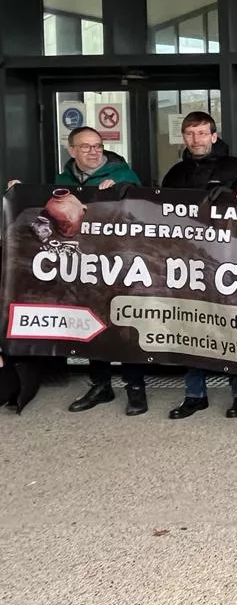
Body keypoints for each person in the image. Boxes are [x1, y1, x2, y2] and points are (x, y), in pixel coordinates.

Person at [8, 127, 148, 416]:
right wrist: (21, 192)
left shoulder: (123, 175)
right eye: (86, 147)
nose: (94, 151)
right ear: (71, 151)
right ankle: (101, 385)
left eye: (98, 146)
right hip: (82, 265)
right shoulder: (62, 181)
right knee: (91, 322)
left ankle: (136, 387)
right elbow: (45, 214)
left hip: (118, 261)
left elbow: (142, 210)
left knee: (125, 324)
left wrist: (123, 192)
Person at [161, 111, 237, 420]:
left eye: (202, 133)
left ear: (214, 136)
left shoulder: (235, 166)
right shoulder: (175, 172)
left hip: (228, 258)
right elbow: (161, 211)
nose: (196, 139)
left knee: (231, 322)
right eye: (190, 133)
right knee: (189, 324)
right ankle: (195, 394)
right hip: (187, 258)